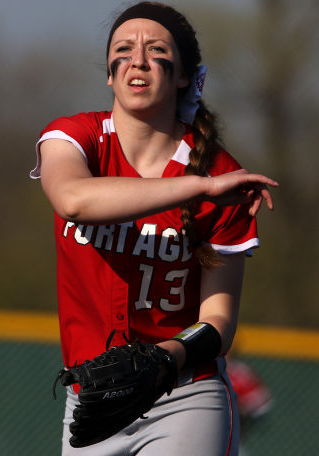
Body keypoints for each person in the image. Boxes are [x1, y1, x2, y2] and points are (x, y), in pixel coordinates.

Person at [30, 2, 278, 455]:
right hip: (93, 402)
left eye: (156, 49)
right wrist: (197, 189)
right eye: (124, 49)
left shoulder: (220, 173)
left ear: (183, 75)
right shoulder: (76, 139)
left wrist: (167, 357)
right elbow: (74, 201)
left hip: (184, 397)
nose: (138, 59)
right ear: (110, 73)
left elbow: (217, 324)